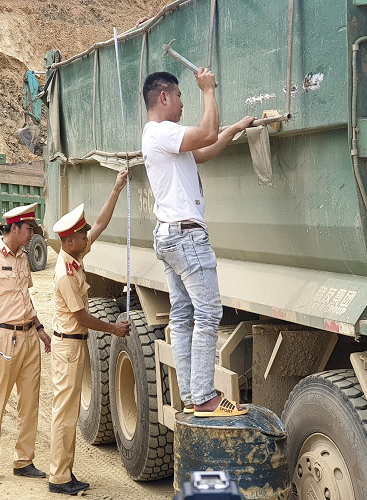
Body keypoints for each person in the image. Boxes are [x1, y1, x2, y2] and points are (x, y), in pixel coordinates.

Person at [141, 69, 254, 418]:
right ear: (164, 97)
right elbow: (205, 132)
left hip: (170, 235)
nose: (182, 102)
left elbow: (203, 149)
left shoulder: (165, 139)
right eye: (178, 96)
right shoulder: (162, 132)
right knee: (207, 313)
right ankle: (205, 396)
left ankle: (192, 395)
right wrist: (207, 90)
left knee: (184, 315)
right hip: (186, 235)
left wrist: (233, 130)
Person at [48, 170, 131, 495]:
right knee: (65, 415)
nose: (87, 238)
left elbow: (100, 224)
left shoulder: (75, 254)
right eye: (81, 236)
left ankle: (64, 474)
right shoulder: (66, 273)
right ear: (70, 241)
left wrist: (117, 188)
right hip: (68, 346)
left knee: (67, 414)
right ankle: (59, 478)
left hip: (73, 346)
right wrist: (114, 328)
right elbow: (82, 317)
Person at [0, 202, 53, 483]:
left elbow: (25, 299)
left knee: (30, 402)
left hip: (30, 336)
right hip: (5, 338)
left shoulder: (23, 258)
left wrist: (40, 328)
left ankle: (23, 461)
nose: (32, 234)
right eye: (29, 229)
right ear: (14, 228)